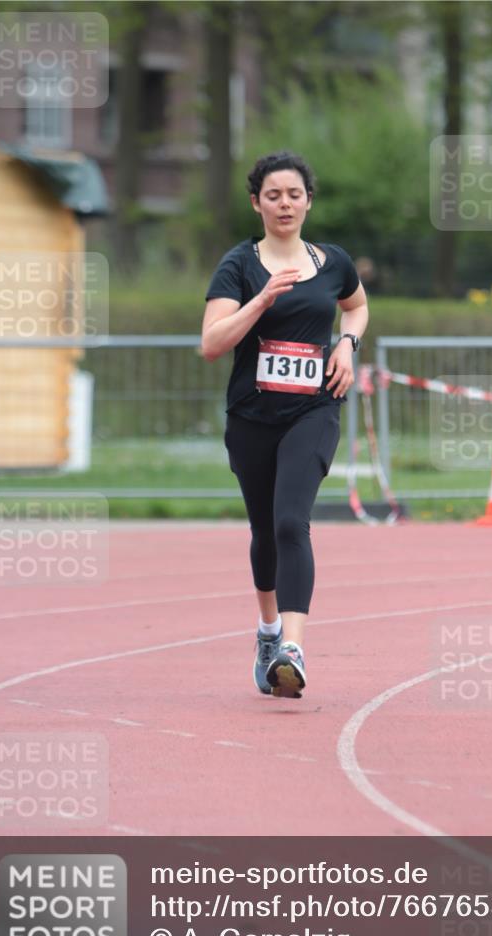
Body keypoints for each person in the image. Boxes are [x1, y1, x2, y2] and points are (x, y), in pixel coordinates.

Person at [201, 151, 369, 699]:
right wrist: (260, 301)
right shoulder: (238, 265)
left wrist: (348, 342)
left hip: (313, 409)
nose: (285, 204)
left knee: (292, 522)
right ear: (257, 203)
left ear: (308, 201)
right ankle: (269, 632)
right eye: (273, 195)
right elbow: (211, 343)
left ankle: (293, 648)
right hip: (252, 417)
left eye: (294, 194)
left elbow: (357, 306)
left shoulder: (334, 261)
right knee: (265, 532)